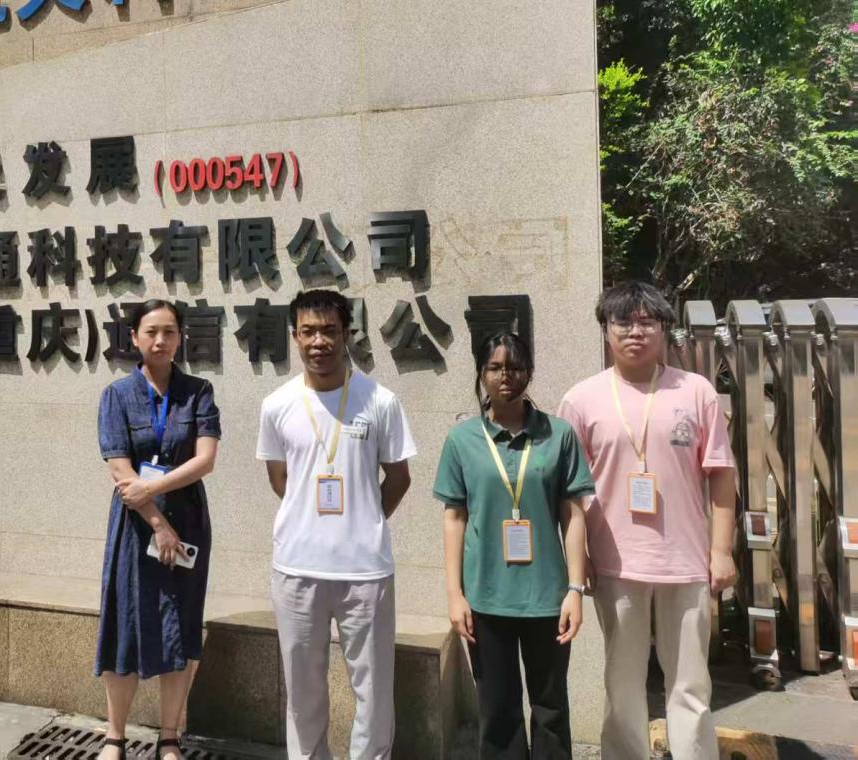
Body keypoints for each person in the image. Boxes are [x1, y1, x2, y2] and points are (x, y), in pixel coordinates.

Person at [557, 281, 738, 760]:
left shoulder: (695, 392)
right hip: (616, 564)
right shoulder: (581, 400)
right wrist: (579, 560)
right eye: (623, 321)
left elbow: (722, 476)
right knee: (622, 684)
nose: (635, 331)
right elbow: (568, 494)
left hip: (687, 563)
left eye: (647, 322)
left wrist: (721, 551)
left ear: (663, 328)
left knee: (690, 685)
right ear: (605, 329)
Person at [256, 289, 416, 760]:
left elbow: (399, 477)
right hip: (296, 569)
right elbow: (280, 480)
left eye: (329, 330)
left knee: (374, 691)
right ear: (294, 337)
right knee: (302, 690)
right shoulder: (277, 405)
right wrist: (314, 518)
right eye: (308, 331)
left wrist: (363, 519)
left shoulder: (379, 400)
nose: (319, 341)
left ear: (347, 334)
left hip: (365, 572)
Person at [434, 332, 593, 759]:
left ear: (530, 372)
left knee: (551, 708)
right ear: (481, 373)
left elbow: (573, 515)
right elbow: (454, 518)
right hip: (485, 598)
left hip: (547, 598)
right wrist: (454, 594)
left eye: (516, 367)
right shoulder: (462, 439)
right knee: (498, 712)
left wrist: (575, 590)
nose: (506, 376)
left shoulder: (559, 435)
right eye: (495, 367)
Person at [94, 299, 221, 760]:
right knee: (124, 624)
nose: (160, 340)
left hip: (187, 523)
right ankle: (115, 736)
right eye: (151, 331)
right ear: (134, 337)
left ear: (181, 337)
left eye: (169, 331)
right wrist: (156, 522)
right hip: (135, 527)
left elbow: (205, 460)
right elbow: (120, 469)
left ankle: (169, 737)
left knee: (181, 627)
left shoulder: (199, 391)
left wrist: (154, 489)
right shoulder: (116, 396)